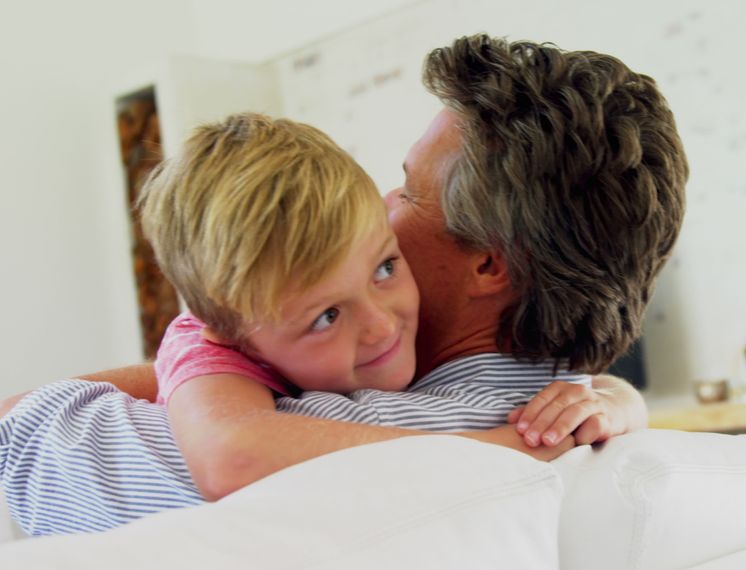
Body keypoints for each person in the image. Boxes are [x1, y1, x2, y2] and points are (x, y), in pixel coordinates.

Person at [0, 33, 688, 536]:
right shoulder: (570, 403)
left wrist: (198, 341)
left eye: (410, 191)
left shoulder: (354, 437)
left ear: (489, 264)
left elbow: (44, 441)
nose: (384, 206)